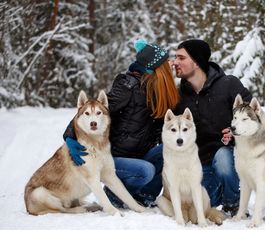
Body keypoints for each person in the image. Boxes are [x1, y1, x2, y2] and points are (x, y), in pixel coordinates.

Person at [63, 39, 180, 207]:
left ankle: (143, 196)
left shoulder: (159, 91)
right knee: (145, 170)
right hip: (113, 157)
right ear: (155, 67)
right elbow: (93, 111)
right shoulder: (127, 86)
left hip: (138, 155)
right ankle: (114, 197)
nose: (170, 64)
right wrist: (70, 137)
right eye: (165, 61)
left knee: (168, 149)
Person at [172, 39, 252, 216]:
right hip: (200, 163)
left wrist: (234, 130)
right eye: (175, 58)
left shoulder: (228, 84)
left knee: (223, 159)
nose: (175, 62)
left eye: (181, 58)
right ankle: (218, 197)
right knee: (203, 200)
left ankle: (234, 203)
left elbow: (254, 116)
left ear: (197, 62)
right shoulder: (178, 96)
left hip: (231, 157)